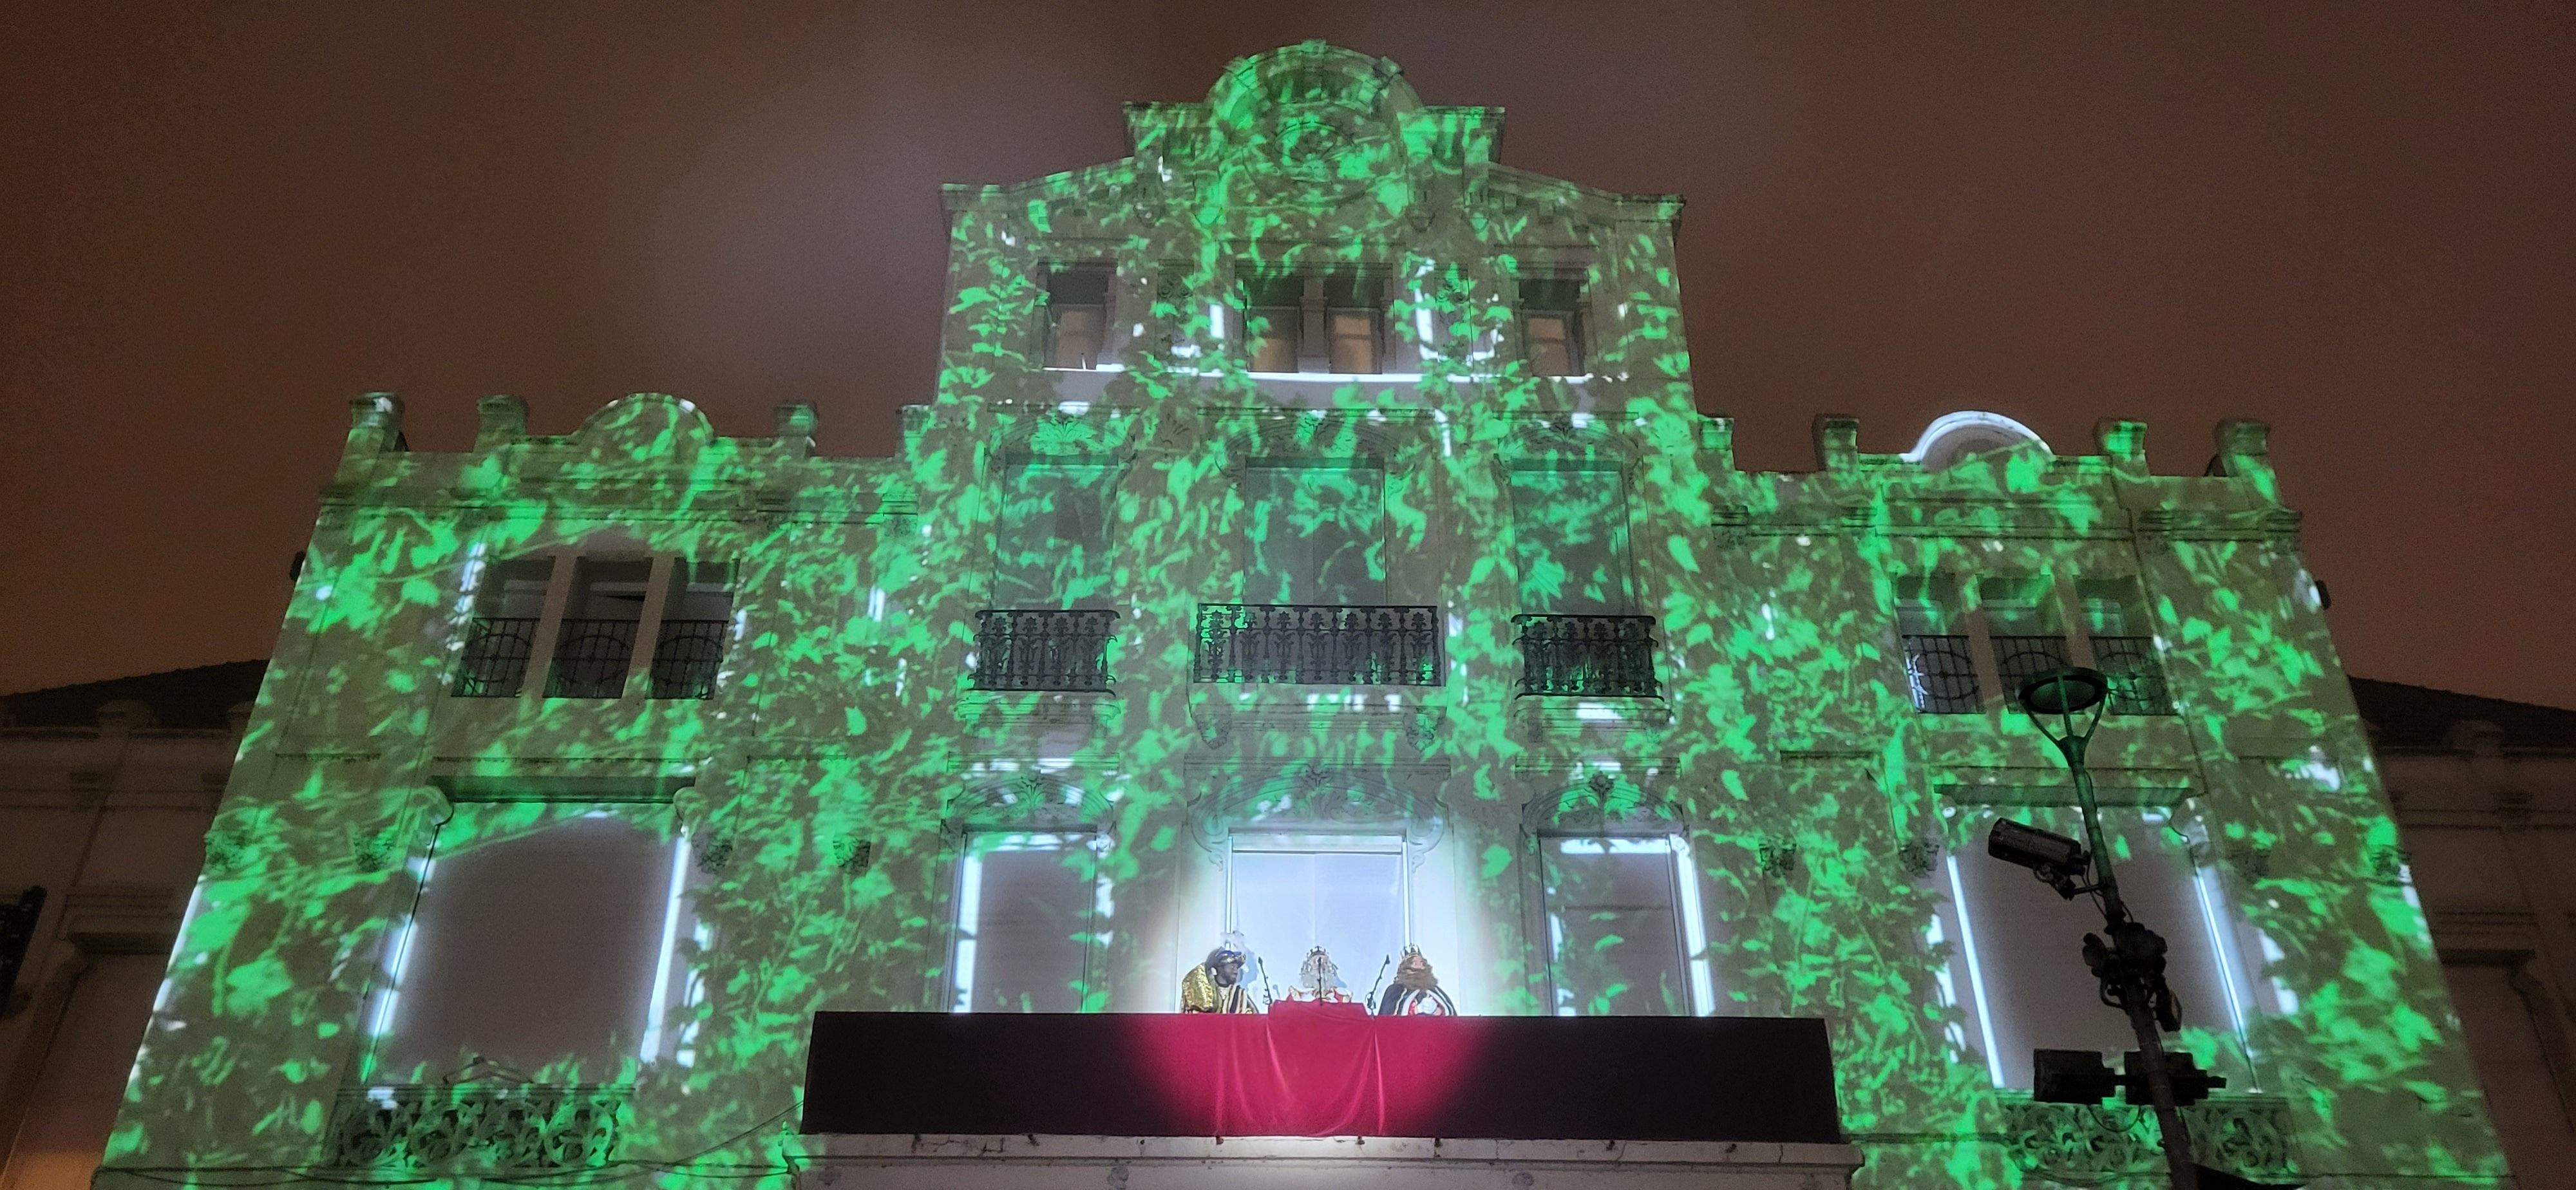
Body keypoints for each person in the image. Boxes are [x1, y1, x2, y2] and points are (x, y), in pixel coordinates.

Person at [1180, 932, 1260, 1013]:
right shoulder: (1204, 992)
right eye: (1232, 967)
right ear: (1220, 968)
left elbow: (1254, 1020)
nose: (1235, 971)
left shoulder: (1240, 995)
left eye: (1237, 967)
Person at [1373, 946, 1457, 1016]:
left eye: (1421, 963)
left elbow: (1449, 1015)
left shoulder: (1435, 990)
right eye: (1415, 963)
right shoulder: (1395, 990)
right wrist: (1417, 1009)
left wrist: (1436, 1011)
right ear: (1406, 968)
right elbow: (1390, 1018)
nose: (1420, 965)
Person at [1283, 945, 1355, 1003]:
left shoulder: (1343, 997)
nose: (1321, 965)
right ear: (1308, 968)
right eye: (1315, 962)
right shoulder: (1297, 996)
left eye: (1325, 962)